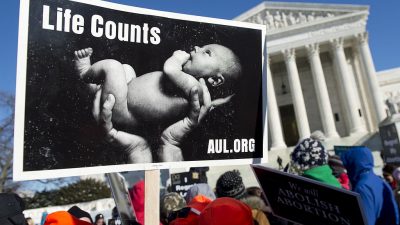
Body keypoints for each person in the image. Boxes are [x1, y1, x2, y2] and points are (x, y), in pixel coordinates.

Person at [74, 44, 241, 133]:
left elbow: (169, 69)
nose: (197, 48)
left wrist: (176, 57)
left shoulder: (193, 86)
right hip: (124, 98)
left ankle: (84, 72)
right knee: (127, 69)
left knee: (113, 66)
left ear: (215, 79)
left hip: (124, 110)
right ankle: (95, 89)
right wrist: (223, 100)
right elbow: (212, 104)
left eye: (207, 52)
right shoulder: (196, 90)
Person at [341, 146, 399, 225]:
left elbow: (366, 221)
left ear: (353, 164)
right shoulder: (379, 180)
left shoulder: (362, 187)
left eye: (347, 166)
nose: (346, 171)